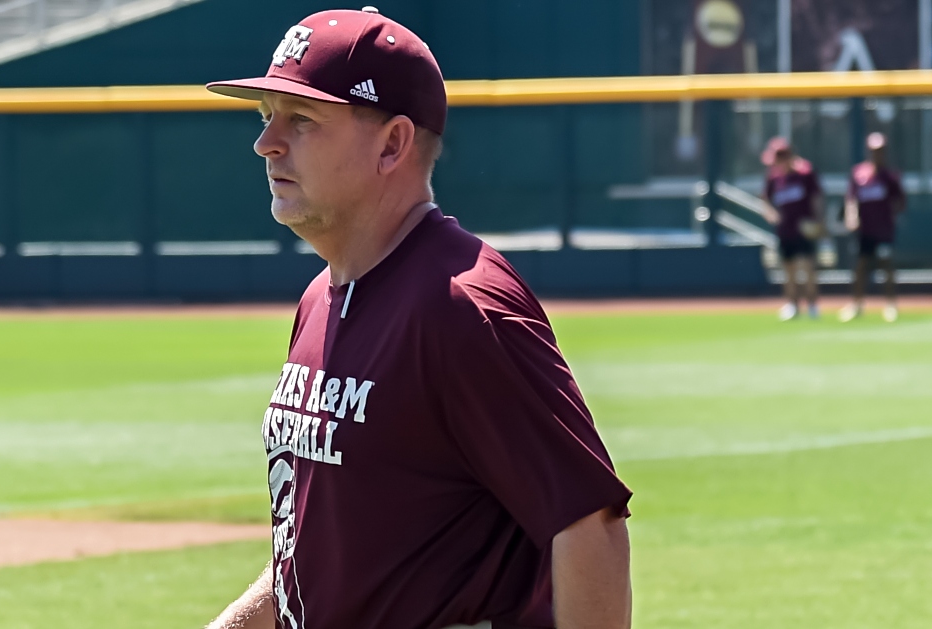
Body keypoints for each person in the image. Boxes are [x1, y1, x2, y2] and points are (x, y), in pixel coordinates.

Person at [204, 7, 633, 629]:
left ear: (393, 144)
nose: (266, 142)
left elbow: (588, 525)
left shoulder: (463, 305)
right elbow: (320, 553)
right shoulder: (322, 298)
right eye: (266, 116)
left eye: (302, 119)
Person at [840, 132, 906, 323]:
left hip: (884, 230)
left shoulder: (890, 176)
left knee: (886, 265)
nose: (877, 154)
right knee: (861, 266)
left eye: (880, 150)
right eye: (874, 150)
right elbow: (851, 199)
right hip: (865, 231)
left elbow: (900, 202)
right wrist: (851, 217)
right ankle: (857, 304)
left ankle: (891, 305)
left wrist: (889, 213)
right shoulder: (859, 174)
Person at [761, 137, 824, 321]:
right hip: (785, 231)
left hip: (805, 230)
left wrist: (819, 221)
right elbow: (765, 200)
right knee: (788, 271)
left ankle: (812, 305)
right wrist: (771, 214)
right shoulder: (774, 177)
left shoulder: (805, 173)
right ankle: (793, 305)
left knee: (807, 268)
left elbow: (816, 198)